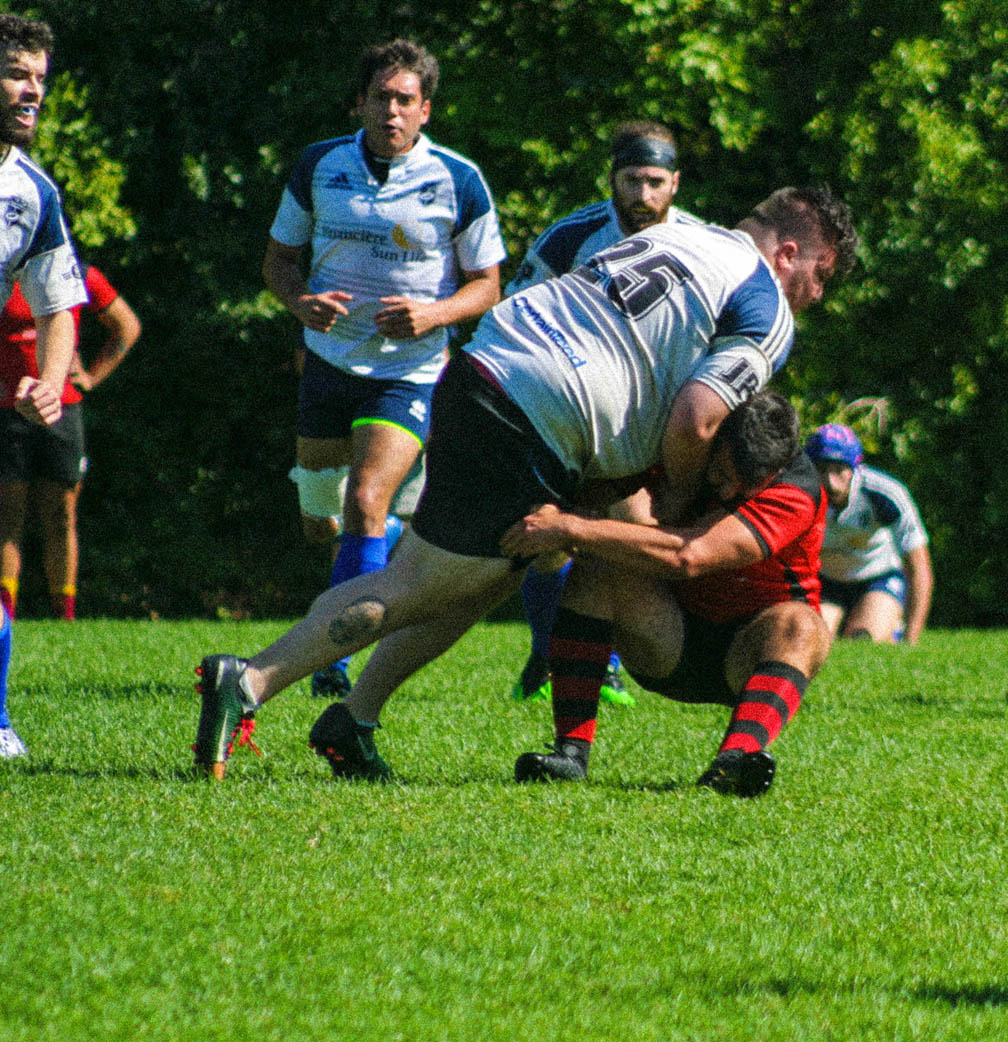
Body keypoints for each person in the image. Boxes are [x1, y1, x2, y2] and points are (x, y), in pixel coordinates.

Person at [191, 185, 855, 781]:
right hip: (536, 413)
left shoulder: (679, 232)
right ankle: (248, 680)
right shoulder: (768, 309)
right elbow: (695, 416)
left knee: (480, 575)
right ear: (790, 252)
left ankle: (353, 720)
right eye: (822, 277)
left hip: (491, 364)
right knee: (416, 583)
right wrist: (678, 500)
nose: (818, 298)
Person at [263, 38, 506, 700]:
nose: (391, 111)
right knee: (323, 515)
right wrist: (299, 300)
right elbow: (278, 260)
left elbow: (488, 284)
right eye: (381, 98)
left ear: (426, 109)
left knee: (368, 500)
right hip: (329, 361)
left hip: (411, 369)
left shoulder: (458, 179)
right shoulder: (319, 165)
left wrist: (434, 315)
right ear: (359, 103)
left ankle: (335, 658)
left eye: (405, 100)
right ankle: (383, 544)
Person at [506, 390, 828, 797]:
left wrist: (572, 528)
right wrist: (558, 507)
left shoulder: (797, 491)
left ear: (779, 466)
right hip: (669, 636)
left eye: (748, 487)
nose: (729, 493)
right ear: (715, 437)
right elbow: (595, 485)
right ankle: (570, 755)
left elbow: (690, 555)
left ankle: (733, 763)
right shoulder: (679, 441)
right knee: (601, 567)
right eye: (724, 476)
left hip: (748, 654)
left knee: (802, 624)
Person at [506, 120, 705, 706]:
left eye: (655, 181)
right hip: (567, 410)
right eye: (631, 180)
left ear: (675, 183)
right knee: (546, 539)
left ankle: (610, 662)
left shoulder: (699, 243)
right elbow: (515, 312)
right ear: (611, 179)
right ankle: (548, 653)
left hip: (647, 421)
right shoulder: (572, 236)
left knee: (632, 532)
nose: (643, 195)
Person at [0, 13, 90, 758]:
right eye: (16, 75)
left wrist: (53, 381)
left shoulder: (32, 192)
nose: (32, 92)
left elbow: (62, 301)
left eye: (39, 79)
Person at [0, 264, 140, 620]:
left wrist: (91, 376)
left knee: (61, 515)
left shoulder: (73, 271)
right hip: (7, 410)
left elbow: (127, 326)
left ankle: (65, 615)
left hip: (61, 409)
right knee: (7, 514)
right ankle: (5, 616)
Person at [803, 423, 933, 645]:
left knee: (864, 641)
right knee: (812, 640)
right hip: (825, 581)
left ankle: (892, 626)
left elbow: (918, 566)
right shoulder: (800, 494)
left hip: (878, 577)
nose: (831, 482)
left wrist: (911, 641)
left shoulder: (884, 494)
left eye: (839, 470)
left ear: (855, 467)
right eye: (822, 469)